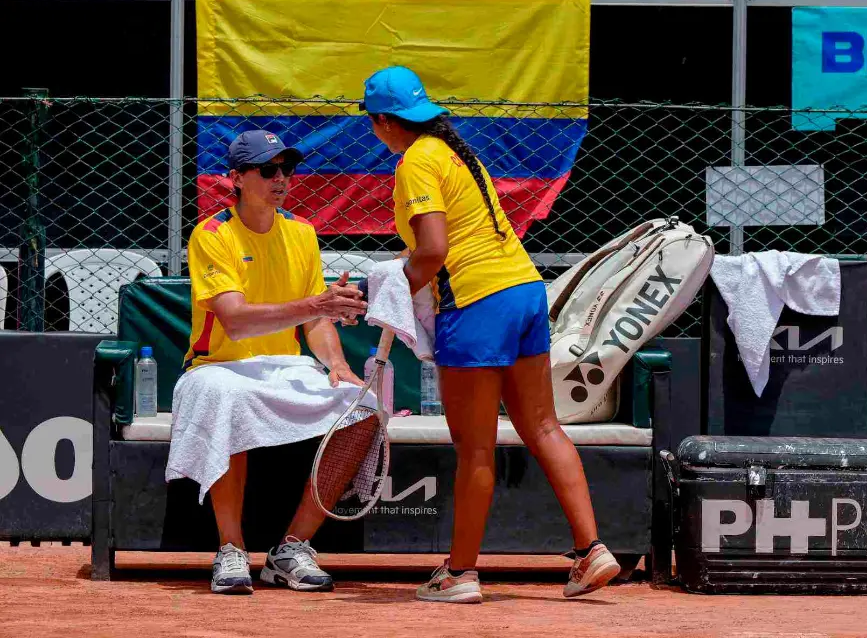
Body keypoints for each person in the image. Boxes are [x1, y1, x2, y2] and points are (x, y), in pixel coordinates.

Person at [361, 65, 621, 604]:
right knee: (544, 426)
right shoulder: (456, 152)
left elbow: (432, 251)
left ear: (382, 122)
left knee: (475, 449)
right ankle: (591, 549)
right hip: (525, 291)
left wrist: (388, 291)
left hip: (477, 304)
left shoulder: (414, 163)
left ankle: (460, 574)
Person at [165, 129, 372, 595]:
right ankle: (231, 548)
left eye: (286, 169)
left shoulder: (301, 232)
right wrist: (315, 306)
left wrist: (337, 364)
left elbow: (316, 324)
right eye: (267, 170)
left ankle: (292, 548)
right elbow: (235, 322)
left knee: (363, 407)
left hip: (285, 367)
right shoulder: (212, 234)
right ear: (236, 178)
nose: (281, 178)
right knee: (224, 394)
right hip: (215, 366)